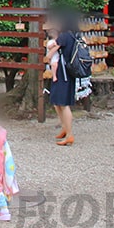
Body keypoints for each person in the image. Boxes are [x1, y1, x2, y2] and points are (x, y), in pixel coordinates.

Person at [45, 16, 77, 145]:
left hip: (61, 73)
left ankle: (69, 134)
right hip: (68, 73)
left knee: (63, 104)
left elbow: (51, 52)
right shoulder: (74, 36)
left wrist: (47, 56)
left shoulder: (64, 36)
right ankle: (64, 128)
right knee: (57, 102)